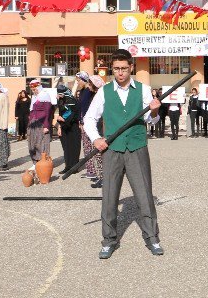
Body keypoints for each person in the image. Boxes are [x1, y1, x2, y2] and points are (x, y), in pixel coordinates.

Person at [83, 49, 163, 259]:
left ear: (131, 68)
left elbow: (151, 121)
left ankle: (152, 237)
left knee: (144, 195)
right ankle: (109, 240)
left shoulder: (143, 90)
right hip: (112, 149)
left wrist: (154, 111)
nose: (120, 73)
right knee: (109, 196)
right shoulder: (104, 91)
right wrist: (96, 139)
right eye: (116, 69)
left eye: (124, 69)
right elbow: (90, 119)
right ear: (112, 69)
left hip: (137, 147)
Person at [80, 75, 105, 188]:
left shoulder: (101, 96)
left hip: (100, 128)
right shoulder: (92, 95)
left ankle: (104, 178)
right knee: (96, 155)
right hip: (94, 128)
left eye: (90, 84)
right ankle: (100, 177)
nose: (88, 87)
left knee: (100, 155)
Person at [27, 79, 53, 171]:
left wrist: (46, 126)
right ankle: (35, 162)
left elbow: (48, 112)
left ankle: (43, 162)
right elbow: (32, 111)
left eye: (35, 89)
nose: (34, 91)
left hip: (41, 123)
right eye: (32, 89)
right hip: (33, 123)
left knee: (41, 143)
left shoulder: (44, 96)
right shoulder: (34, 97)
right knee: (32, 143)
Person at [57, 85, 81, 175]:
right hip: (64, 126)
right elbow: (60, 112)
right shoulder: (61, 100)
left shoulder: (71, 100)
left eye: (60, 93)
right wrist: (59, 126)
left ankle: (74, 167)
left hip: (73, 126)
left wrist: (64, 119)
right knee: (66, 147)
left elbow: (73, 112)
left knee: (74, 146)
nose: (59, 95)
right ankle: (67, 166)